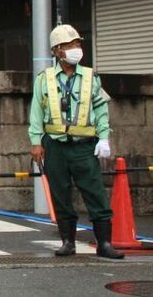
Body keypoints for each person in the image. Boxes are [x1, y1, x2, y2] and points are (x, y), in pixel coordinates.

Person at [28, 24, 124, 259]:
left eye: (78, 44)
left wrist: (104, 137)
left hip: (84, 146)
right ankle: (68, 242)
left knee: (95, 193)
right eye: (71, 45)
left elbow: (101, 109)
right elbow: (36, 112)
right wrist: (35, 142)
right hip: (55, 145)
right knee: (60, 194)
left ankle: (104, 244)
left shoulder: (91, 76)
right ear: (58, 50)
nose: (77, 49)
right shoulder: (45, 79)